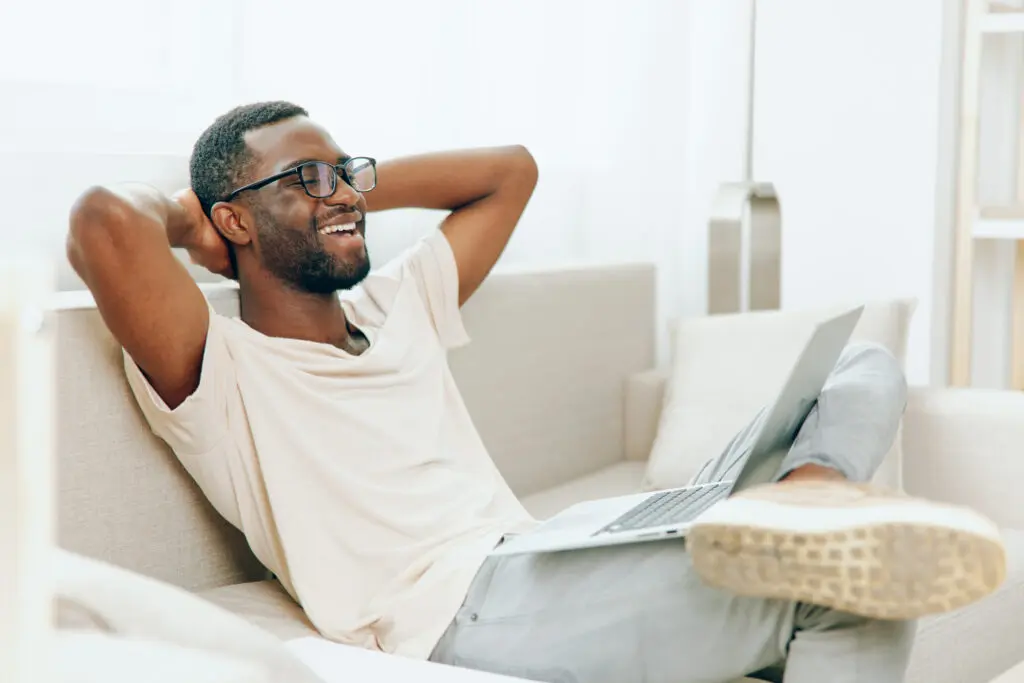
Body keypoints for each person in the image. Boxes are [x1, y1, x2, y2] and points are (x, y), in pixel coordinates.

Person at [67, 101, 1005, 683]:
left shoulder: (405, 305)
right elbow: (103, 224)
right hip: (465, 606)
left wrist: (343, 186)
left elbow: (509, 170)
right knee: (862, 594)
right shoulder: (221, 370)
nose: (344, 193)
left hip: (558, 543)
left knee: (863, 363)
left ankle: (808, 501)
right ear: (234, 216)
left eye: (345, 171)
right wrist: (193, 220)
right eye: (307, 179)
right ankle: (808, 540)